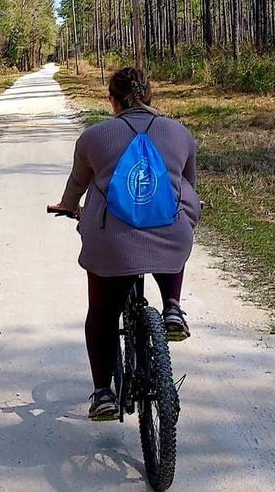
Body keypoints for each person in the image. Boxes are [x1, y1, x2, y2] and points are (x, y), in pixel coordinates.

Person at [47, 66, 200, 420]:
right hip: (171, 239)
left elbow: (75, 188)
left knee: (101, 313)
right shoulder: (180, 134)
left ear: (112, 101)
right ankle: (172, 307)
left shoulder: (93, 137)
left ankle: (103, 394)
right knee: (172, 232)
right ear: (150, 96)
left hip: (112, 246)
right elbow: (187, 188)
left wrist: (69, 208)